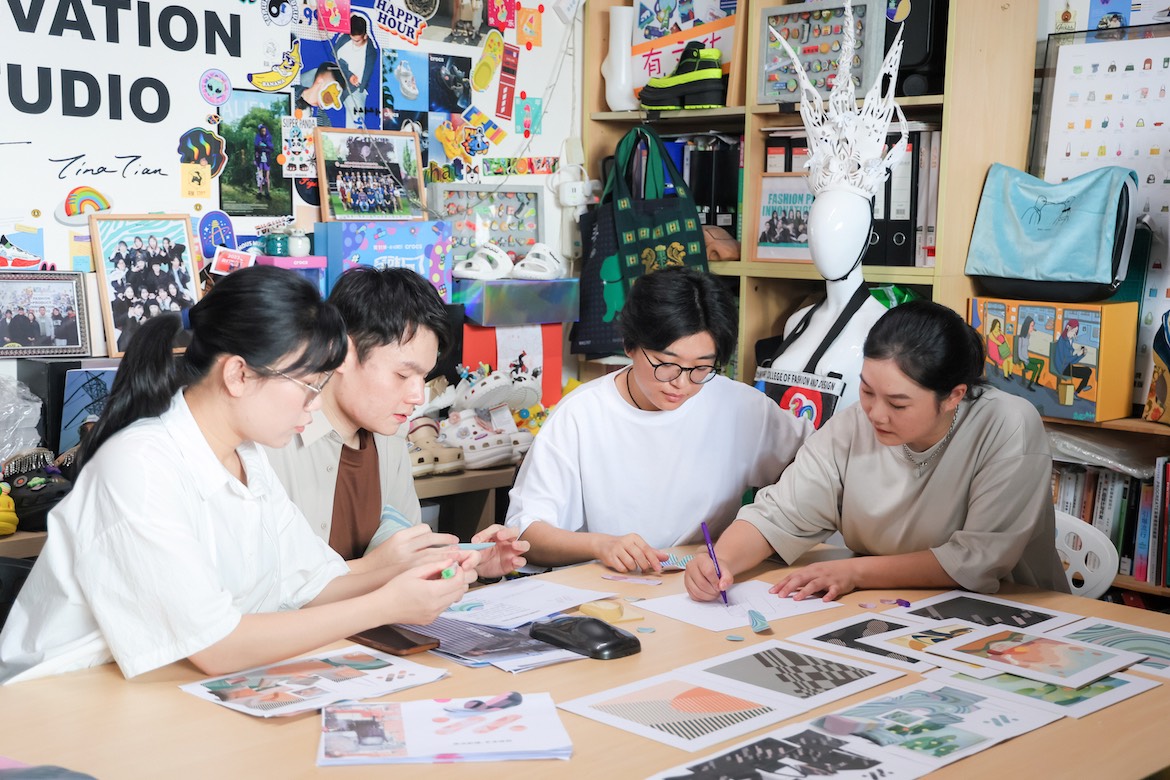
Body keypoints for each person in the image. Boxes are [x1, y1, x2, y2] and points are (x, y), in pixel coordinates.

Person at [0, 266, 483, 685]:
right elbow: (216, 646)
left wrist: (427, 572)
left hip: (162, 687)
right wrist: (388, 605)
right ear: (238, 375)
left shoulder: (246, 457)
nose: (315, 407)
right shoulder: (139, 466)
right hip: (66, 698)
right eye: (307, 388)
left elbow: (313, 582)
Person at [685, 300, 1068, 604]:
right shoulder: (855, 424)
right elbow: (781, 514)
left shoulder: (1007, 424)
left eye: (898, 404)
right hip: (892, 610)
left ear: (954, 396)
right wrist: (721, 561)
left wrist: (856, 573)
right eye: (867, 391)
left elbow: (976, 560)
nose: (876, 414)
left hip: (1010, 617)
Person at [504, 267, 812, 573]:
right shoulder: (581, 414)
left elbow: (820, 469)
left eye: (701, 368)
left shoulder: (741, 407)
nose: (681, 382)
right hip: (605, 590)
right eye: (667, 364)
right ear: (630, 345)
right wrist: (602, 545)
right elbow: (526, 533)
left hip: (701, 585)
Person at [265, 266, 526, 570]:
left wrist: (473, 563)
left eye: (423, 377)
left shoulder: (391, 435)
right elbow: (272, 593)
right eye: (403, 374)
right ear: (341, 352)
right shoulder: (273, 440)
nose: (417, 395)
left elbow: (404, 559)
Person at [335, 14, 378, 129]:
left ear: (365, 36)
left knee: (357, 124)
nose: (354, 42)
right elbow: (335, 61)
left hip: (354, 90)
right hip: (336, 79)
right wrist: (348, 75)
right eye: (352, 38)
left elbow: (362, 83)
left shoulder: (371, 53)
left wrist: (352, 79)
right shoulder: (344, 39)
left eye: (357, 41)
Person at [1054, 318, 1093, 396]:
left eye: (1076, 332)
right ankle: (1077, 392)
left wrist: (1082, 354)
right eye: (1073, 331)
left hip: (1066, 365)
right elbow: (1067, 359)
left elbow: (1072, 361)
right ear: (1068, 327)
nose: (1074, 334)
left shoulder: (1069, 340)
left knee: (1088, 370)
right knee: (1087, 372)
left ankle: (1079, 390)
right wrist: (1078, 354)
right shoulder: (1062, 341)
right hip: (1062, 368)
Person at [1016, 316, 1045, 391]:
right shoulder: (1021, 338)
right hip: (1024, 360)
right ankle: (1029, 385)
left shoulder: (1027, 336)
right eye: (1032, 326)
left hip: (1027, 358)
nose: (1033, 328)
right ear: (1027, 326)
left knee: (1042, 362)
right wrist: (1025, 360)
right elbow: (1019, 354)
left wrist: (1032, 330)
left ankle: (1037, 381)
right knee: (1036, 368)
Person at [254, 124, 274, 199]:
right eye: (262, 131)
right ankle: (260, 192)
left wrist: (264, 147)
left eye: (264, 131)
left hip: (267, 160)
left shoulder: (269, 138)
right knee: (260, 177)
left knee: (267, 177)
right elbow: (256, 148)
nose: (263, 132)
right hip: (259, 160)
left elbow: (271, 148)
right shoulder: (257, 138)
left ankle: (267, 193)